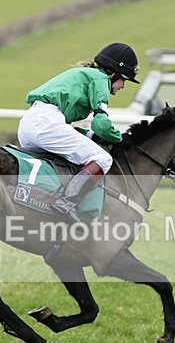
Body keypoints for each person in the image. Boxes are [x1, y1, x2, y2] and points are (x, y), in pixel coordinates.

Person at [17, 42, 140, 223]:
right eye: (124, 80)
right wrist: (121, 139)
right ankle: (66, 204)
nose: (122, 87)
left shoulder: (87, 76)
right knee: (103, 159)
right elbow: (102, 126)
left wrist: (90, 136)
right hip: (45, 123)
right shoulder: (101, 79)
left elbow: (68, 128)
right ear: (113, 74)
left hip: (30, 124)